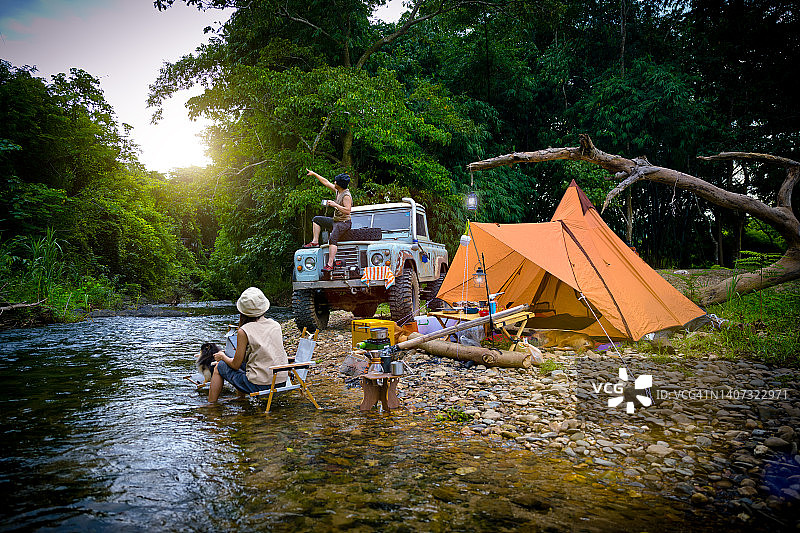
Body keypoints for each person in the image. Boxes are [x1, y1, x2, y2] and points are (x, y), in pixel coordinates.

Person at [208, 287, 289, 403]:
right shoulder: (275, 325)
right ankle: (241, 400)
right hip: (280, 381)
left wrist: (222, 357)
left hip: (260, 385)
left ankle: (211, 406)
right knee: (243, 365)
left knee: (219, 366)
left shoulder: (244, 330)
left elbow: (236, 365)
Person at [303, 168, 352, 272]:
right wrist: (314, 173)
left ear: (340, 184)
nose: (334, 182)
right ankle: (315, 241)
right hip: (336, 220)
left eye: (336, 181)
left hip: (344, 223)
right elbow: (325, 182)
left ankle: (330, 264)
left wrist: (335, 205)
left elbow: (348, 211)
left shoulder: (346, 195)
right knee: (316, 219)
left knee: (332, 238)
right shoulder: (337, 191)